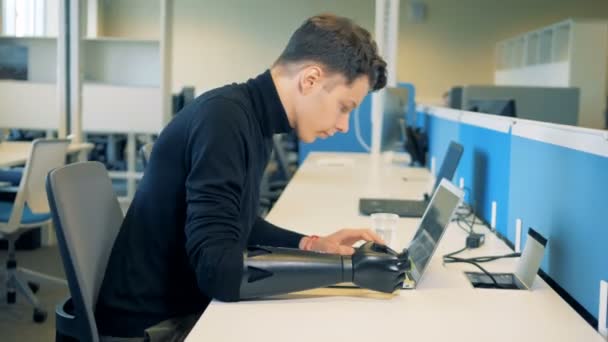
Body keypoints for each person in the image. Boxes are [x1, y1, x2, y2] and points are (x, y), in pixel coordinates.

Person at [96, 13, 398, 340]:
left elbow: (237, 223)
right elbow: (219, 273)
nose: (343, 125)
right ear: (310, 79)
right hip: (148, 325)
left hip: (179, 306)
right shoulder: (224, 120)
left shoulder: (250, 119)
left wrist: (312, 245)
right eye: (344, 106)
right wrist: (351, 270)